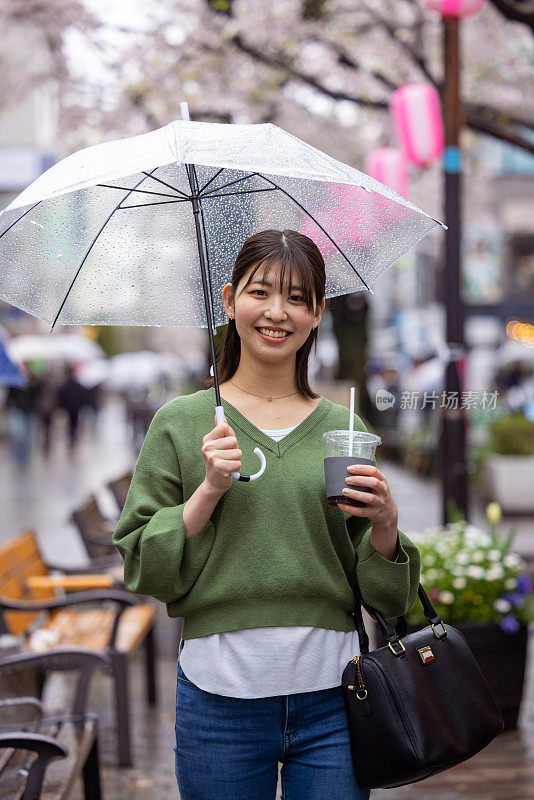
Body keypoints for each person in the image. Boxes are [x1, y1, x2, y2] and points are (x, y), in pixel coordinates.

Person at [112, 229, 421, 800]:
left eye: (298, 298)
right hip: (217, 698)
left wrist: (384, 527)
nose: (277, 312)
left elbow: (386, 597)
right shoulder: (181, 423)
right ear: (229, 301)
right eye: (261, 292)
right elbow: (143, 567)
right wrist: (207, 491)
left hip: (336, 697)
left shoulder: (344, 430)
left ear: (317, 314)